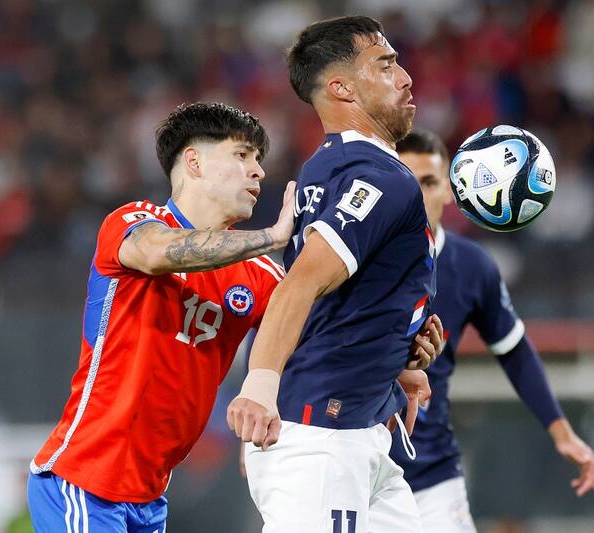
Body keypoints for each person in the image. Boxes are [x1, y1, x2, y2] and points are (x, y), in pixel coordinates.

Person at [26, 102, 295, 532]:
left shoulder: (261, 276)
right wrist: (271, 237)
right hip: (83, 482)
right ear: (194, 161)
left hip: (150, 499)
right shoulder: (133, 222)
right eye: (242, 155)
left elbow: (309, 338)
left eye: (259, 159)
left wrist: (406, 356)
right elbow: (155, 253)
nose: (258, 171)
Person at [226, 16, 443, 533]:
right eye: (386, 64)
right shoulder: (380, 179)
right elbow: (302, 282)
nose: (406, 77)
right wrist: (260, 384)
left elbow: (339, 304)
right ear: (342, 87)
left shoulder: (326, 169)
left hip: (355, 429)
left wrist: (398, 353)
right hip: (322, 438)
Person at [390, 129, 594, 532]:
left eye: (430, 182)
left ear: (452, 192)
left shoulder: (472, 266)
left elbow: (514, 349)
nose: (418, 194)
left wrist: (561, 431)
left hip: (430, 470)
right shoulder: (352, 258)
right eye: (405, 181)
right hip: (353, 456)